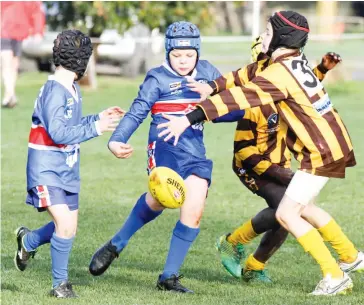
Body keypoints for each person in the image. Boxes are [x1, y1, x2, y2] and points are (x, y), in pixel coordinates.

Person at [157, 11, 363, 296]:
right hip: (333, 144)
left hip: (320, 152)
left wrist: (190, 117)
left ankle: (334, 275)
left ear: (280, 37)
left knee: (288, 214)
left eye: (267, 32)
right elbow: (243, 76)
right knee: (299, 209)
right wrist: (212, 86)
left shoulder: (276, 74)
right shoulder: (291, 63)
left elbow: (239, 96)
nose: (263, 37)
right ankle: (350, 258)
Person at [88, 21, 243, 293]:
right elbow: (137, 111)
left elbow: (232, 111)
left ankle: (168, 278)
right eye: (177, 55)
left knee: (194, 210)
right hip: (163, 149)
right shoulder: (157, 78)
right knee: (161, 201)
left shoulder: (208, 73)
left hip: (195, 153)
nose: (183, 61)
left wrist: (212, 99)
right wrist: (116, 140)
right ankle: (117, 244)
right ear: (168, 52)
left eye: (189, 55)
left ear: (197, 52)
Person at [215, 38, 343, 283]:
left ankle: (254, 266)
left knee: (287, 215)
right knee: (283, 208)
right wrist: (277, 172)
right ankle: (231, 243)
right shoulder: (254, 99)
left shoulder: (284, 91)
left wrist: (323, 69)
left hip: (280, 165)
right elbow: (244, 150)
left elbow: (303, 85)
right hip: (252, 168)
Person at [14, 29, 124, 298]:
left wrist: (98, 118)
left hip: (67, 170)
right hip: (46, 169)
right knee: (64, 225)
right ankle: (59, 286)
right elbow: (59, 133)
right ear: (84, 60)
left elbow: (71, 126)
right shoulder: (55, 91)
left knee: (68, 227)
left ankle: (28, 242)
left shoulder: (71, 87)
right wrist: (97, 127)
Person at [1, 1, 45, 108]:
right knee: (6, 63)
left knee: (14, 65)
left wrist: (38, 32)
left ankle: (10, 94)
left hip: (20, 33)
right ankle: (9, 94)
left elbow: (37, 12)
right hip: (3, 31)